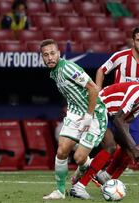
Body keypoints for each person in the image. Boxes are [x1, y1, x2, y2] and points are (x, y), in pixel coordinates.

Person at [75, 26, 139, 187]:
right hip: (114, 108)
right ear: (133, 41)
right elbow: (101, 70)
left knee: (130, 148)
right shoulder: (121, 56)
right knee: (110, 145)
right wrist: (98, 90)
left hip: (134, 110)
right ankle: (85, 170)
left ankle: (106, 177)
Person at [71, 77, 139, 199]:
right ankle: (79, 186)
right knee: (111, 147)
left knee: (129, 151)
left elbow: (125, 122)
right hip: (98, 106)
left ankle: (106, 180)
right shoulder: (138, 92)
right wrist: (133, 146)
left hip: (109, 114)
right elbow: (119, 119)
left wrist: (131, 148)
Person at [40, 39, 108, 200]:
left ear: (58, 53)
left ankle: (97, 173)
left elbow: (93, 88)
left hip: (95, 114)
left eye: (52, 53)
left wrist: (89, 116)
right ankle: (59, 191)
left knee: (78, 158)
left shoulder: (68, 68)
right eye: (45, 55)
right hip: (75, 113)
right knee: (62, 150)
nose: (49, 58)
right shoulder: (53, 72)